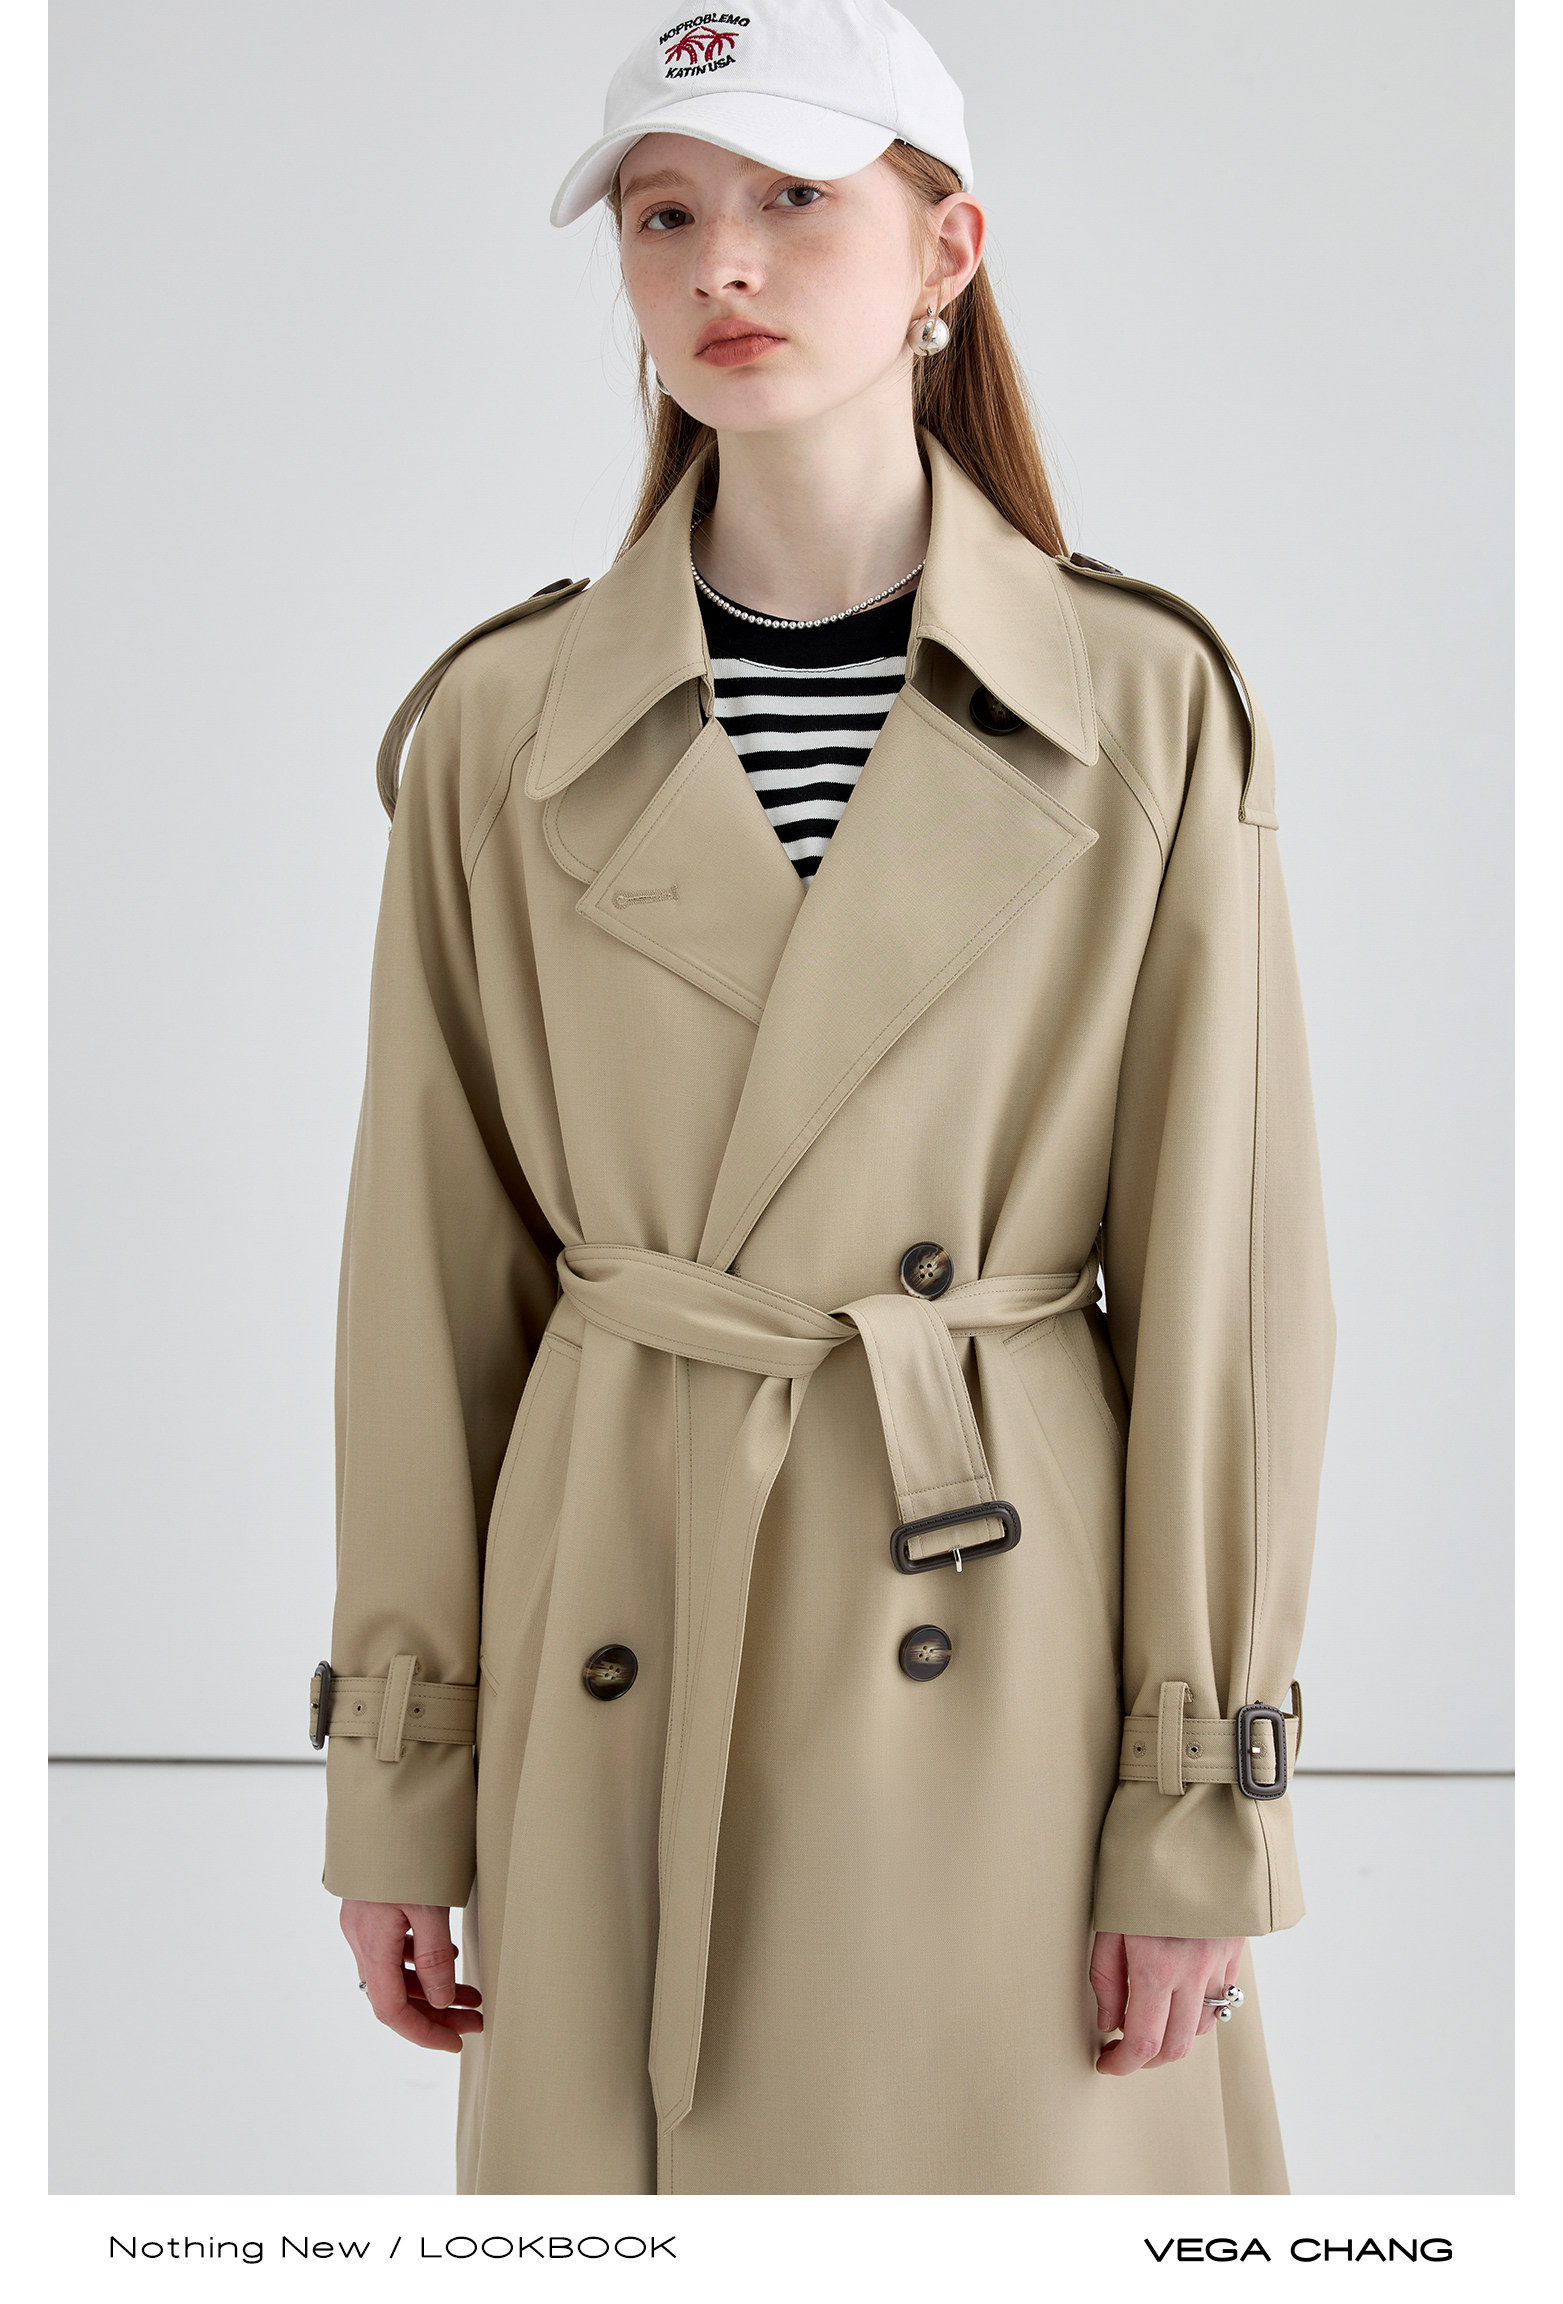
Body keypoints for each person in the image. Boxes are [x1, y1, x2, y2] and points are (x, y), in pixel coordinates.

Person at [312, 0, 1335, 2196]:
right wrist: (402, 1773)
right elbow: (425, 1287)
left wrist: (1196, 1803)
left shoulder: (1145, 703)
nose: (724, 267)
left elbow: (1229, 1302)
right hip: (621, 1584)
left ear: (947, 247)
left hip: (1003, 1622)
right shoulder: (497, 725)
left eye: (796, 199)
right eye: (663, 215)